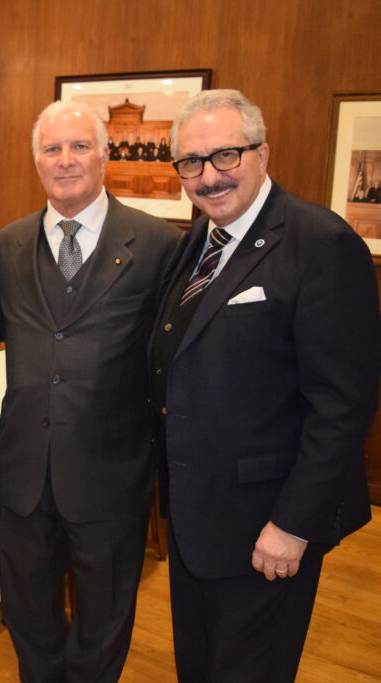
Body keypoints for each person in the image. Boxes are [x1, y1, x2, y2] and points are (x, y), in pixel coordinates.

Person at [151, 89, 380, 682]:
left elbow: (343, 405)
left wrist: (293, 525)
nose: (209, 176)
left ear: (263, 153)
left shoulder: (321, 245)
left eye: (227, 155)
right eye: (192, 163)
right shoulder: (194, 243)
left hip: (266, 528)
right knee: (199, 666)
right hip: (198, 517)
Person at [0, 101, 182, 683]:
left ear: (105, 155)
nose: (66, 160)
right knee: (28, 616)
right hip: (24, 468)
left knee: (103, 621)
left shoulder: (158, 244)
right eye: (52, 149)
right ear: (35, 161)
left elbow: (171, 360)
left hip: (111, 470)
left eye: (79, 147)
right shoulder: (8, 244)